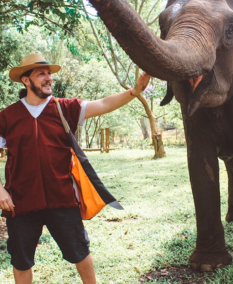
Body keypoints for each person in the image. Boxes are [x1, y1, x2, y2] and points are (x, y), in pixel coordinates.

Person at [0, 53, 150, 284]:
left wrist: (134, 91)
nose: (48, 78)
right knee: (21, 260)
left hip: (62, 199)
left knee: (81, 253)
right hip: (21, 201)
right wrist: (1, 191)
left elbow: (103, 104)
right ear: (26, 80)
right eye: (41, 74)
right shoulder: (8, 117)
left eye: (49, 73)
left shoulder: (65, 108)